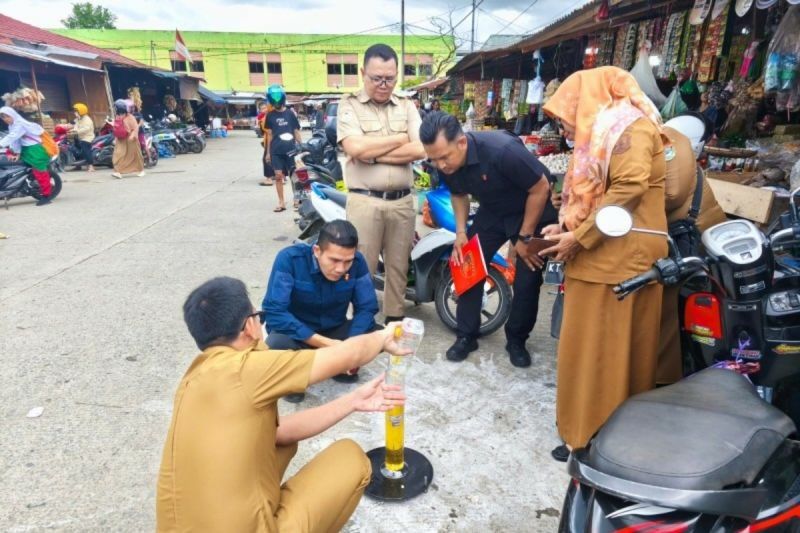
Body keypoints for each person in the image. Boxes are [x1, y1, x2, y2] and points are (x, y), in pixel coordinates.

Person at [156, 276, 407, 533]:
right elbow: (348, 355)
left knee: (281, 443)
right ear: (249, 327)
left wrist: (352, 401)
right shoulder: (246, 369)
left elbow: (279, 432)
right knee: (351, 458)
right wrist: (385, 336)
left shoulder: (192, 381)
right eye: (257, 316)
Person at [539, 66, 668, 461]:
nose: (564, 128)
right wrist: (566, 222)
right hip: (601, 257)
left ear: (589, 100)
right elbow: (599, 192)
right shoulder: (603, 136)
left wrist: (579, 236)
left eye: (567, 116)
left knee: (610, 356)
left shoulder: (630, 128)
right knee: (586, 352)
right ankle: (583, 435)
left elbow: (629, 187)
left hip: (622, 261)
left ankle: (605, 443)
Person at [420, 112, 554, 366]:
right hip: (493, 211)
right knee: (467, 264)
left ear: (461, 142)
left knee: (528, 277)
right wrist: (461, 233)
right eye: (434, 159)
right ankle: (466, 335)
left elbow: (541, 187)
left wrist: (525, 238)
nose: (441, 166)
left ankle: (516, 340)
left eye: (444, 157)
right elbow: (459, 194)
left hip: (532, 209)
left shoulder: (502, 150)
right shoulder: (446, 162)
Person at [337, 43, 426, 323]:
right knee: (360, 266)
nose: (384, 85)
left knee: (399, 266)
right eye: (377, 78)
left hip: (401, 202)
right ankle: (362, 321)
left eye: (390, 78)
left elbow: (422, 147)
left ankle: (394, 320)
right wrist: (400, 140)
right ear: (363, 72)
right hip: (365, 201)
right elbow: (354, 147)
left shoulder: (407, 105)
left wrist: (372, 154)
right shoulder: (348, 104)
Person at [262, 220, 379, 400]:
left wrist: (352, 345)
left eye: (347, 261)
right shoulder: (289, 260)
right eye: (334, 260)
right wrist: (328, 345)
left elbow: (367, 307)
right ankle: (295, 377)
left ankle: (338, 366)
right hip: (297, 335)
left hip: (334, 330)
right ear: (317, 251)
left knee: (376, 332)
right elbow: (274, 312)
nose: (341, 269)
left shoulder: (358, 262)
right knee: (275, 343)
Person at [656, 126, 726, 385]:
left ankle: (673, 377)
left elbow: (672, 194)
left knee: (679, 306)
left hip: (693, 232)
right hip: (687, 230)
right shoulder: (667, 139)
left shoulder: (669, 142)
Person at [0, 106, 54, 206]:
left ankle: (47, 196)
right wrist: (17, 153)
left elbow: (12, 136)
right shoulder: (12, 125)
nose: (5, 119)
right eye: (3, 117)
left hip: (36, 150)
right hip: (26, 149)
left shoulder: (20, 124)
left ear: (12, 115)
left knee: (40, 173)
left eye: (7, 116)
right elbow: (16, 141)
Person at [264, 85, 301, 212]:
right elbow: (269, 134)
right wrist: (268, 153)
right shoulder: (269, 115)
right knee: (278, 176)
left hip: (291, 149)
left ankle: (297, 199)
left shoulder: (290, 114)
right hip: (276, 151)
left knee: (294, 176)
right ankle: (281, 202)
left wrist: (302, 147)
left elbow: (296, 131)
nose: (276, 102)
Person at [111, 99, 144, 179]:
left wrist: (133, 136)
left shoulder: (130, 117)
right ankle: (118, 171)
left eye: (116, 107)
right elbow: (117, 128)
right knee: (118, 155)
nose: (115, 109)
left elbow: (135, 128)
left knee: (135, 155)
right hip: (121, 140)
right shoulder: (117, 116)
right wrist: (115, 138)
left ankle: (141, 170)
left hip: (130, 140)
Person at [70, 103, 95, 172]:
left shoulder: (87, 119)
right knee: (74, 150)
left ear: (81, 111)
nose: (75, 113)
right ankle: (78, 166)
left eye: (76, 111)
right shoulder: (79, 119)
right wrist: (73, 130)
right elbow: (76, 126)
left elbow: (86, 128)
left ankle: (91, 166)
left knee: (85, 150)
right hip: (80, 137)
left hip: (87, 138)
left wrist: (77, 131)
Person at [256, 101, 276, 187]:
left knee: (266, 158)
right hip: (273, 139)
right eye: (262, 109)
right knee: (276, 157)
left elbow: (267, 131)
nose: (264, 110)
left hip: (270, 139)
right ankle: (280, 176)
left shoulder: (267, 117)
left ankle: (269, 178)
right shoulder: (265, 117)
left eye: (265, 108)